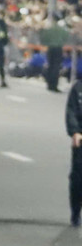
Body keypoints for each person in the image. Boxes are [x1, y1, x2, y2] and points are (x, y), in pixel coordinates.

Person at [66, 72, 82, 226]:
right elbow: (71, 111)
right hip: (81, 138)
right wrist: (75, 131)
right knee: (78, 178)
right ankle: (75, 212)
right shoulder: (78, 88)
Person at [39, 14, 69, 93]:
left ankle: (49, 84)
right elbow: (66, 38)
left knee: (50, 65)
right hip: (58, 49)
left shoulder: (49, 29)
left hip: (50, 48)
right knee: (56, 67)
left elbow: (43, 39)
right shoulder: (61, 29)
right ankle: (54, 85)